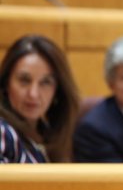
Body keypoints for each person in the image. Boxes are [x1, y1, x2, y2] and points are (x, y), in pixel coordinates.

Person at [0, 34, 80, 163]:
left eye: (45, 82)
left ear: (58, 91)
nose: (33, 94)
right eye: (24, 80)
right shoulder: (3, 132)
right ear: (5, 83)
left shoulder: (47, 135)